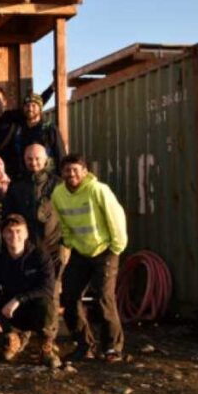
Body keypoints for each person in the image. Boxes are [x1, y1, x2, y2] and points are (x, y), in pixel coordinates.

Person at [52, 154, 128, 362]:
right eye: (67, 170)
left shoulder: (98, 190)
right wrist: (69, 243)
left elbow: (116, 217)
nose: (71, 174)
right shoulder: (58, 194)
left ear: (85, 172)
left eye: (76, 170)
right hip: (80, 251)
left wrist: (116, 247)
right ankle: (84, 344)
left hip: (105, 250)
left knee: (104, 297)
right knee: (69, 296)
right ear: (62, 173)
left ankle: (112, 348)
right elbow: (63, 222)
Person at [0, 214, 61, 368]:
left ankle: (46, 348)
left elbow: (47, 288)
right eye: (9, 231)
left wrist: (19, 299)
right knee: (4, 353)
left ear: (26, 234)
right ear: (2, 234)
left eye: (18, 231)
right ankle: (16, 338)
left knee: (46, 305)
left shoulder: (40, 255)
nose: (14, 236)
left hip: (33, 306)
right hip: (10, 312)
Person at [2, 143, 63, 267]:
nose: (33, 162)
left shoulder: (59, 184)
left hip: (54, 248)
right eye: (29, 159)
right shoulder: (16, 185)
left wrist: (65, 244)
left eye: (37, 159)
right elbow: (8, 215)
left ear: (45, 160)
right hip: (25, 248)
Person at [0, 85, 53, 173]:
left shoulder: (14, 116)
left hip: (16, 170)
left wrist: (51, 89)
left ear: (5, 102)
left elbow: (35, 103)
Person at [12, 93, 66, 177]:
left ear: (40, 108)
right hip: (24, 177)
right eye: (27, 106)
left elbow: (60, 153)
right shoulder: (19, 129)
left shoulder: (49, 128)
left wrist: (62, 175)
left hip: (47, 176)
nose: (30, 108)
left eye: (34, 105)